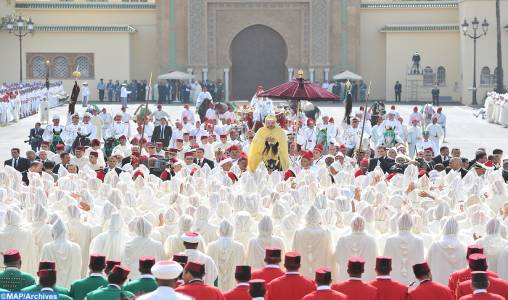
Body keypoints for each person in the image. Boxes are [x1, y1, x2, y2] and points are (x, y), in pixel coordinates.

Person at [383, 213, 424, 284]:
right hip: (413, 281)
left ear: (398, 224)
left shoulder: (389, 240)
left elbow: (385, 263)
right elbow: (420, 262)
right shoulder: (419, 241)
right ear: (411, 224)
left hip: (394, 280)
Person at [41, 219, 82, 288]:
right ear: (65, 232)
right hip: (71, 287)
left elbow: (43, 269)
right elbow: (77, 268)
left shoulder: (47, 247)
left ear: (53, 232)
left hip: (52, 288)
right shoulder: (75, 247)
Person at [335, 216, 378, 281]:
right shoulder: (371, 240)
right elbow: (375, 259)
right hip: (366, 278)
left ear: (351, 225)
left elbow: (337, 259)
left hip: (346, 277)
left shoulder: (342, 240)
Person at [207, 220, 245, 291]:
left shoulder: (211, 246)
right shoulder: (239, 247)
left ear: (219, 230)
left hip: (215, 287)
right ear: (232, 230)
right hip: (234, 286)